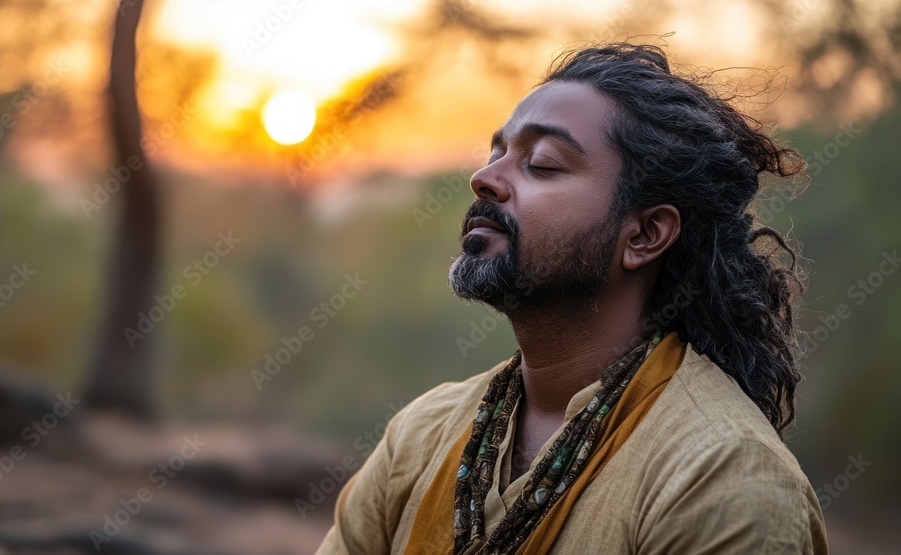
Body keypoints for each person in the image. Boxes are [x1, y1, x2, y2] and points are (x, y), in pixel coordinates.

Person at [316, 42, 828, 554]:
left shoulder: (721, 475)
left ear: (645, 234)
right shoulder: (421, 436)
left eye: (541, 163)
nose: (484, 179)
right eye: (496, 154)